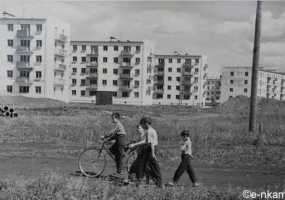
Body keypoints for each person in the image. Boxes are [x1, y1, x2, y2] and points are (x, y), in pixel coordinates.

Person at [129, 117, 162, 187]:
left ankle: (159, 183)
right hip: (147, 149)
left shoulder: (150, 131)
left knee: (153, 167)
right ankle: (139, 181)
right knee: (142, 165)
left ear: (146, 123)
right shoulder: (149, 130)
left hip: (150, 149)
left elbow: (150, 143)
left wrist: (153, 153)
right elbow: (146, 142)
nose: (142, 126)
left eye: (142, 125)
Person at [102, 112, 127, 176]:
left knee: (119, 155)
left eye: (113, 118)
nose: (112, 120)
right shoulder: (118, 124)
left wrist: (105, 136)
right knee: (112, 151)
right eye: (112, 118)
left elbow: (112, 132)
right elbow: (114, 135)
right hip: (118, 139)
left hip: (121, 140)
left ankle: (120, 171)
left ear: (116, 118)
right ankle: (119, 168)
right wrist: (108, 138)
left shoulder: (118, 124)